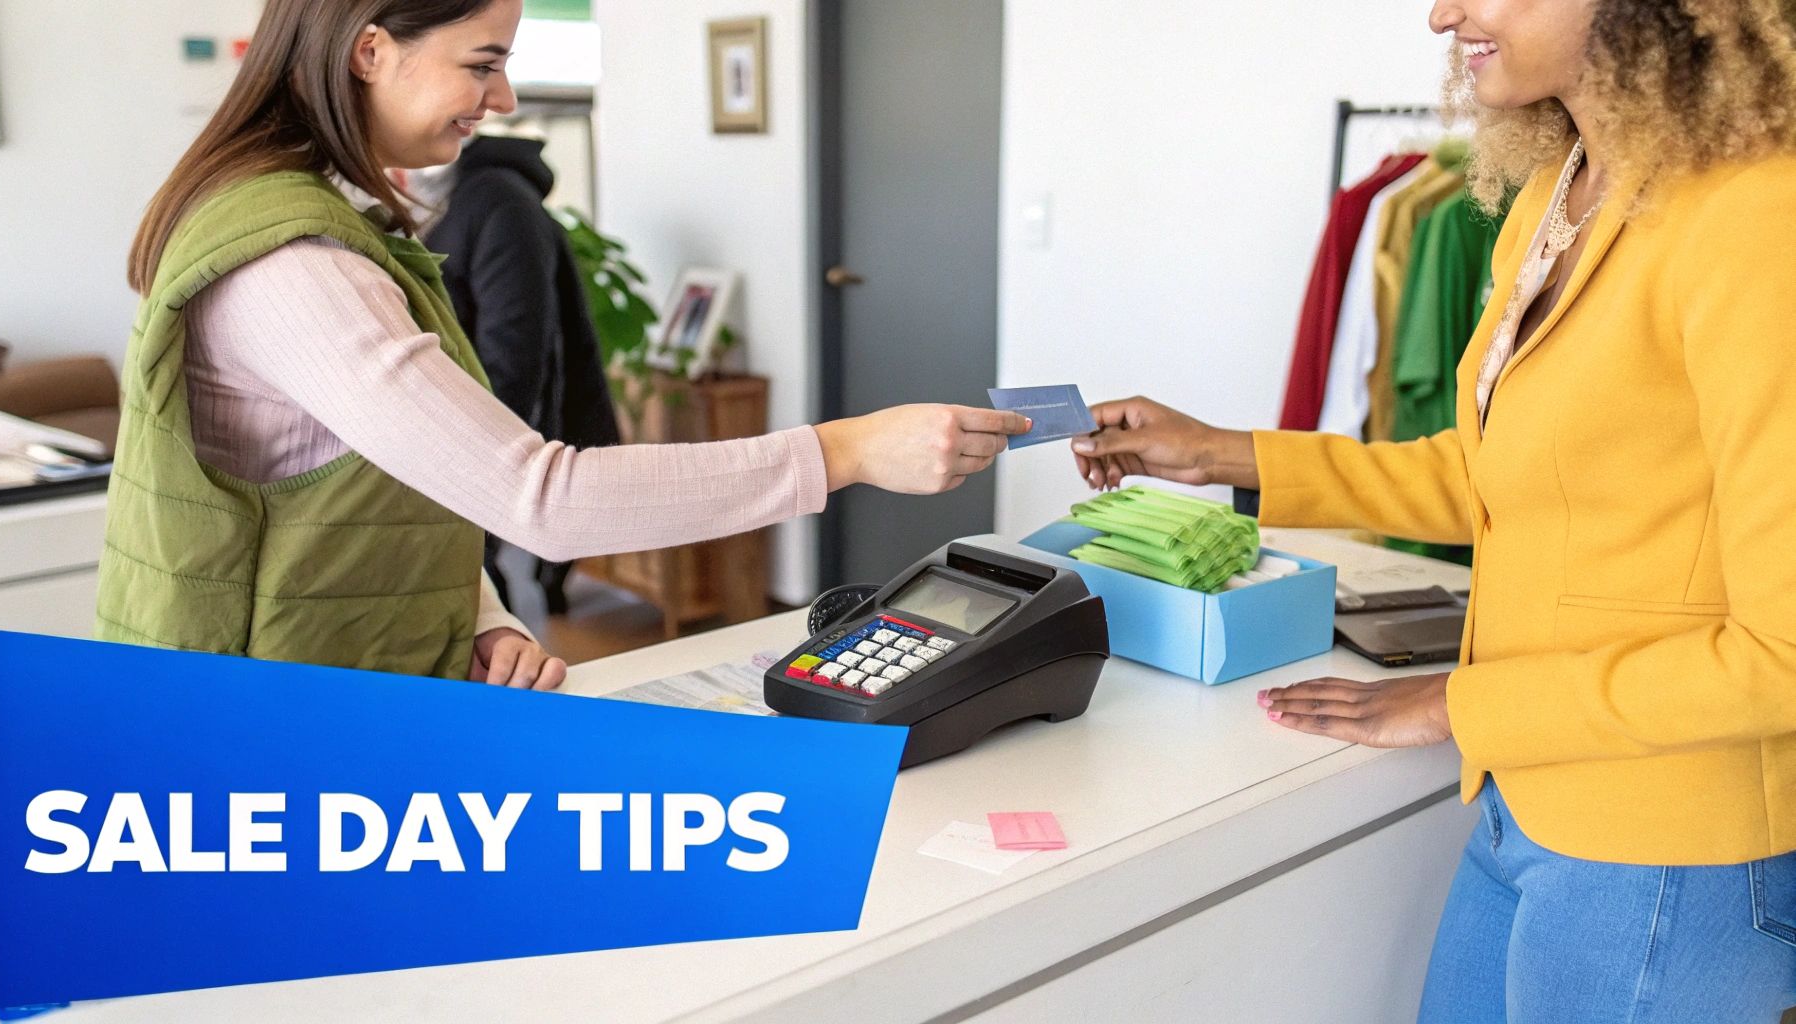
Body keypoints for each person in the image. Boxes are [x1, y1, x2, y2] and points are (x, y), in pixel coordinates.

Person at [1070, 1, 1796, 1020]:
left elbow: (1782, 653)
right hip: (1523, 797)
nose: (1441, 12)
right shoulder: (1558, 193)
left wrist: (1457, 704)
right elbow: (1491, 471)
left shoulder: (1755, 214)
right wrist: (1219, 452)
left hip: (1667, 843)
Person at [101, 0, 1027, 693]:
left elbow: (389, 482)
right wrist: (845, 451)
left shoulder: (312, 220)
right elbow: (539, 497)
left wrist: (476, 618)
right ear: (370, 50)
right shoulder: (294, 264)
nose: (503, 98)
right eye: (483, 63)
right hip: (270, 724)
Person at [420, 131, 620, 628]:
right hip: (468, 448)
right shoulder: (457, 200)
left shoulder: (500, 204)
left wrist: (484, 468)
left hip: (498, 454)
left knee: (507, 624)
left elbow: (516, 355)